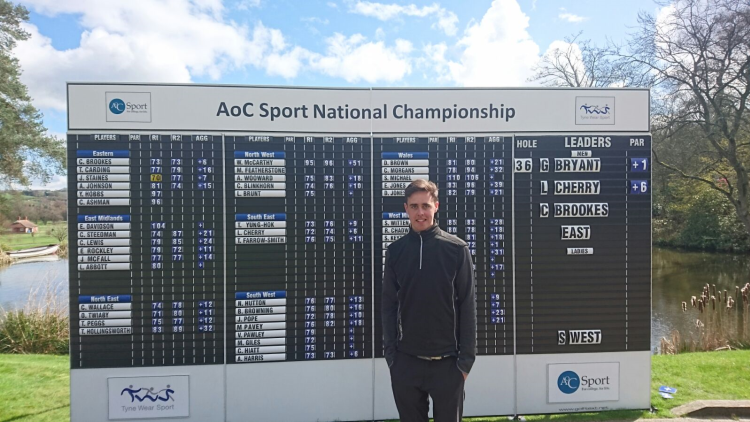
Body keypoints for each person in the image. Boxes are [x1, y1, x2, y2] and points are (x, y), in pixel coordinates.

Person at [382, 179, 477, 422]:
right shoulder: (396, 252)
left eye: (425, 205)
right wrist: (393, 358)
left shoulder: (457, 249)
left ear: (436, 206)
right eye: (414, 206)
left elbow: (467, 305)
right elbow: (389, 306)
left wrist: (465, 362)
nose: (420, 212)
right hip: (406, 363)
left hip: (448, 365)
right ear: (406, 208)